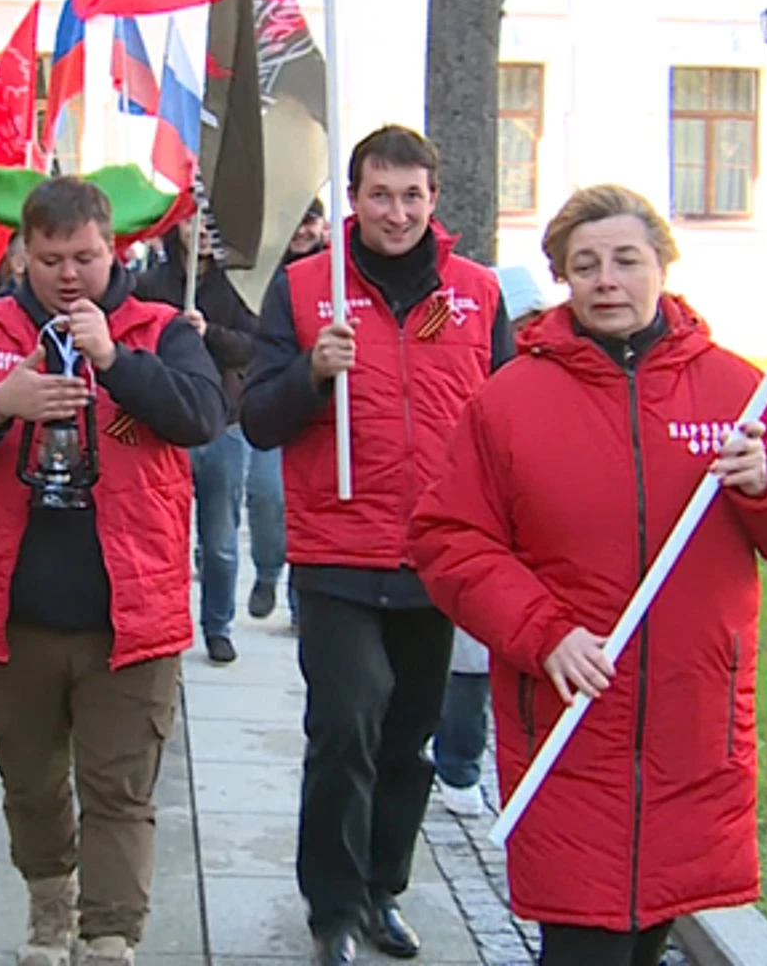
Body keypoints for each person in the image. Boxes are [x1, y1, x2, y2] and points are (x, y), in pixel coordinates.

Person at [410, 185, 767, 966]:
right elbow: (449, 541)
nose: (606, 280)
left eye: (624, 260)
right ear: (563, 280)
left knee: (647, 938)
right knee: (583, 943)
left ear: (662, 267)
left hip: (691, 729)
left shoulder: (737, 392)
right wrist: (543, 632)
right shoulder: (510, 402)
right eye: (585, 265)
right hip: (572, 718)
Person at [0, 176, 224, 966]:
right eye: (50, 258)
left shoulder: (159, 327)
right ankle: (50, 906)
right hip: (15, 607)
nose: (69, 274)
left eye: (85, 256)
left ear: (111, 247)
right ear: (25, 252)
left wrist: (115, 359)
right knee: (31, 779)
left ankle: (110, 934)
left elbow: (200, 416)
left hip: (131, 606)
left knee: (120, 786)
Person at [240, 125, 514, 966]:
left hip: (437, 554)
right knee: (346, 725)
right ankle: (333, 910)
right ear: (353, 199)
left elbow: (511, 419)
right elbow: (257, 418)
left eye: (412, 195)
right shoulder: (300, 291)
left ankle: (382, 891)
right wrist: (312, 373)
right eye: (380, 194)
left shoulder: (477, 294)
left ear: (435, 200)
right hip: (338, 551)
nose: (396, 212)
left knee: (409, 738)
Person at [430, 264, 547, 819]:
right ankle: (457, 763)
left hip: (533, 533)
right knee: (467, 656)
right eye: (519, 322)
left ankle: (471, 759)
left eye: (534, 320)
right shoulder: (472, 368)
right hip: (473, 522)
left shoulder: (552, 374)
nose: (527, 334)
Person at [132, 213, 257, 664]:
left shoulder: (239, 286)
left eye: (211, 220)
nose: (203, 229)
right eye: (193, 220)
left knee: (220, 539)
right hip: (166, 424)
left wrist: (209, 333)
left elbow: (253, 347)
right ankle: (163, 623)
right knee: (162, 536)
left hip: (222, 424)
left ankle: (217, 626)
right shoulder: (149, 283)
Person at [245, 199, 331, 630]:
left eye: (310, 220)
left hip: (327, 420)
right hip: (274, 399)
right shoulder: (264, 276)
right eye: (294, 221)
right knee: (266, 498)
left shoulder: (338, 274)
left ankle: (300, 604)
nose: (302, 230)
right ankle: (266, 571)